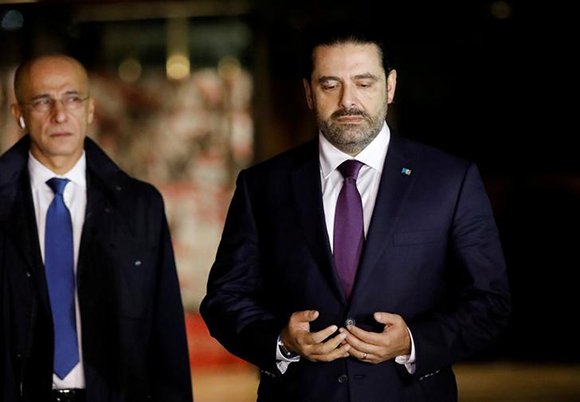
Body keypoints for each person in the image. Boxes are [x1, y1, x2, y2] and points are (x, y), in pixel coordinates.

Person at [200, 24, 510, 402]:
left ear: (390, 86)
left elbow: (489, 302)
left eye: (364, 83)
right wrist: (280, 341)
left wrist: (412, 343)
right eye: (330, 84)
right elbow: (224, 299)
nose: (348, 100)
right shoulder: (262, 186)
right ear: (308, 93)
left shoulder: (451, 180)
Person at [0, 55, 193, 402]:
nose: (60, 114)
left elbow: (165, 333)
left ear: (90, 110)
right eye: (43, 101)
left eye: (72, 98)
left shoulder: (139, 205)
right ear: (19, 114)